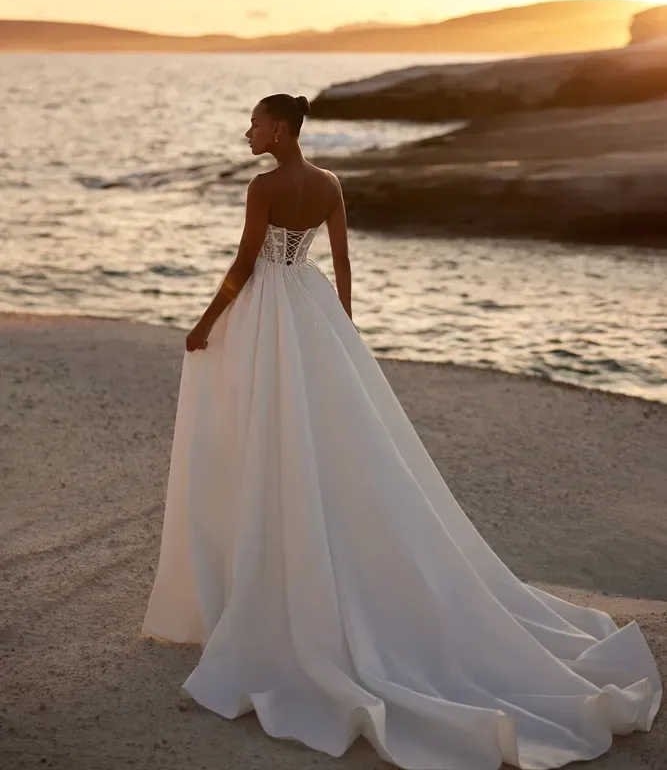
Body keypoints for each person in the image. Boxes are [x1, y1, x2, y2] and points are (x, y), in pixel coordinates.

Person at [143, 93, 661, 770]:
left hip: (269, 310)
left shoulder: (266, 185)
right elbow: (341, 262)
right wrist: (342, 332)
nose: (247, 131)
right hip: (312, 307)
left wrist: (205, 325)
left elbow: (244, 267)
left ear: (278, 128)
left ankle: (262, 571)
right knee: (319, 433)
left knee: (265, 428)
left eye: (254, 122)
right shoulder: (328, 183)